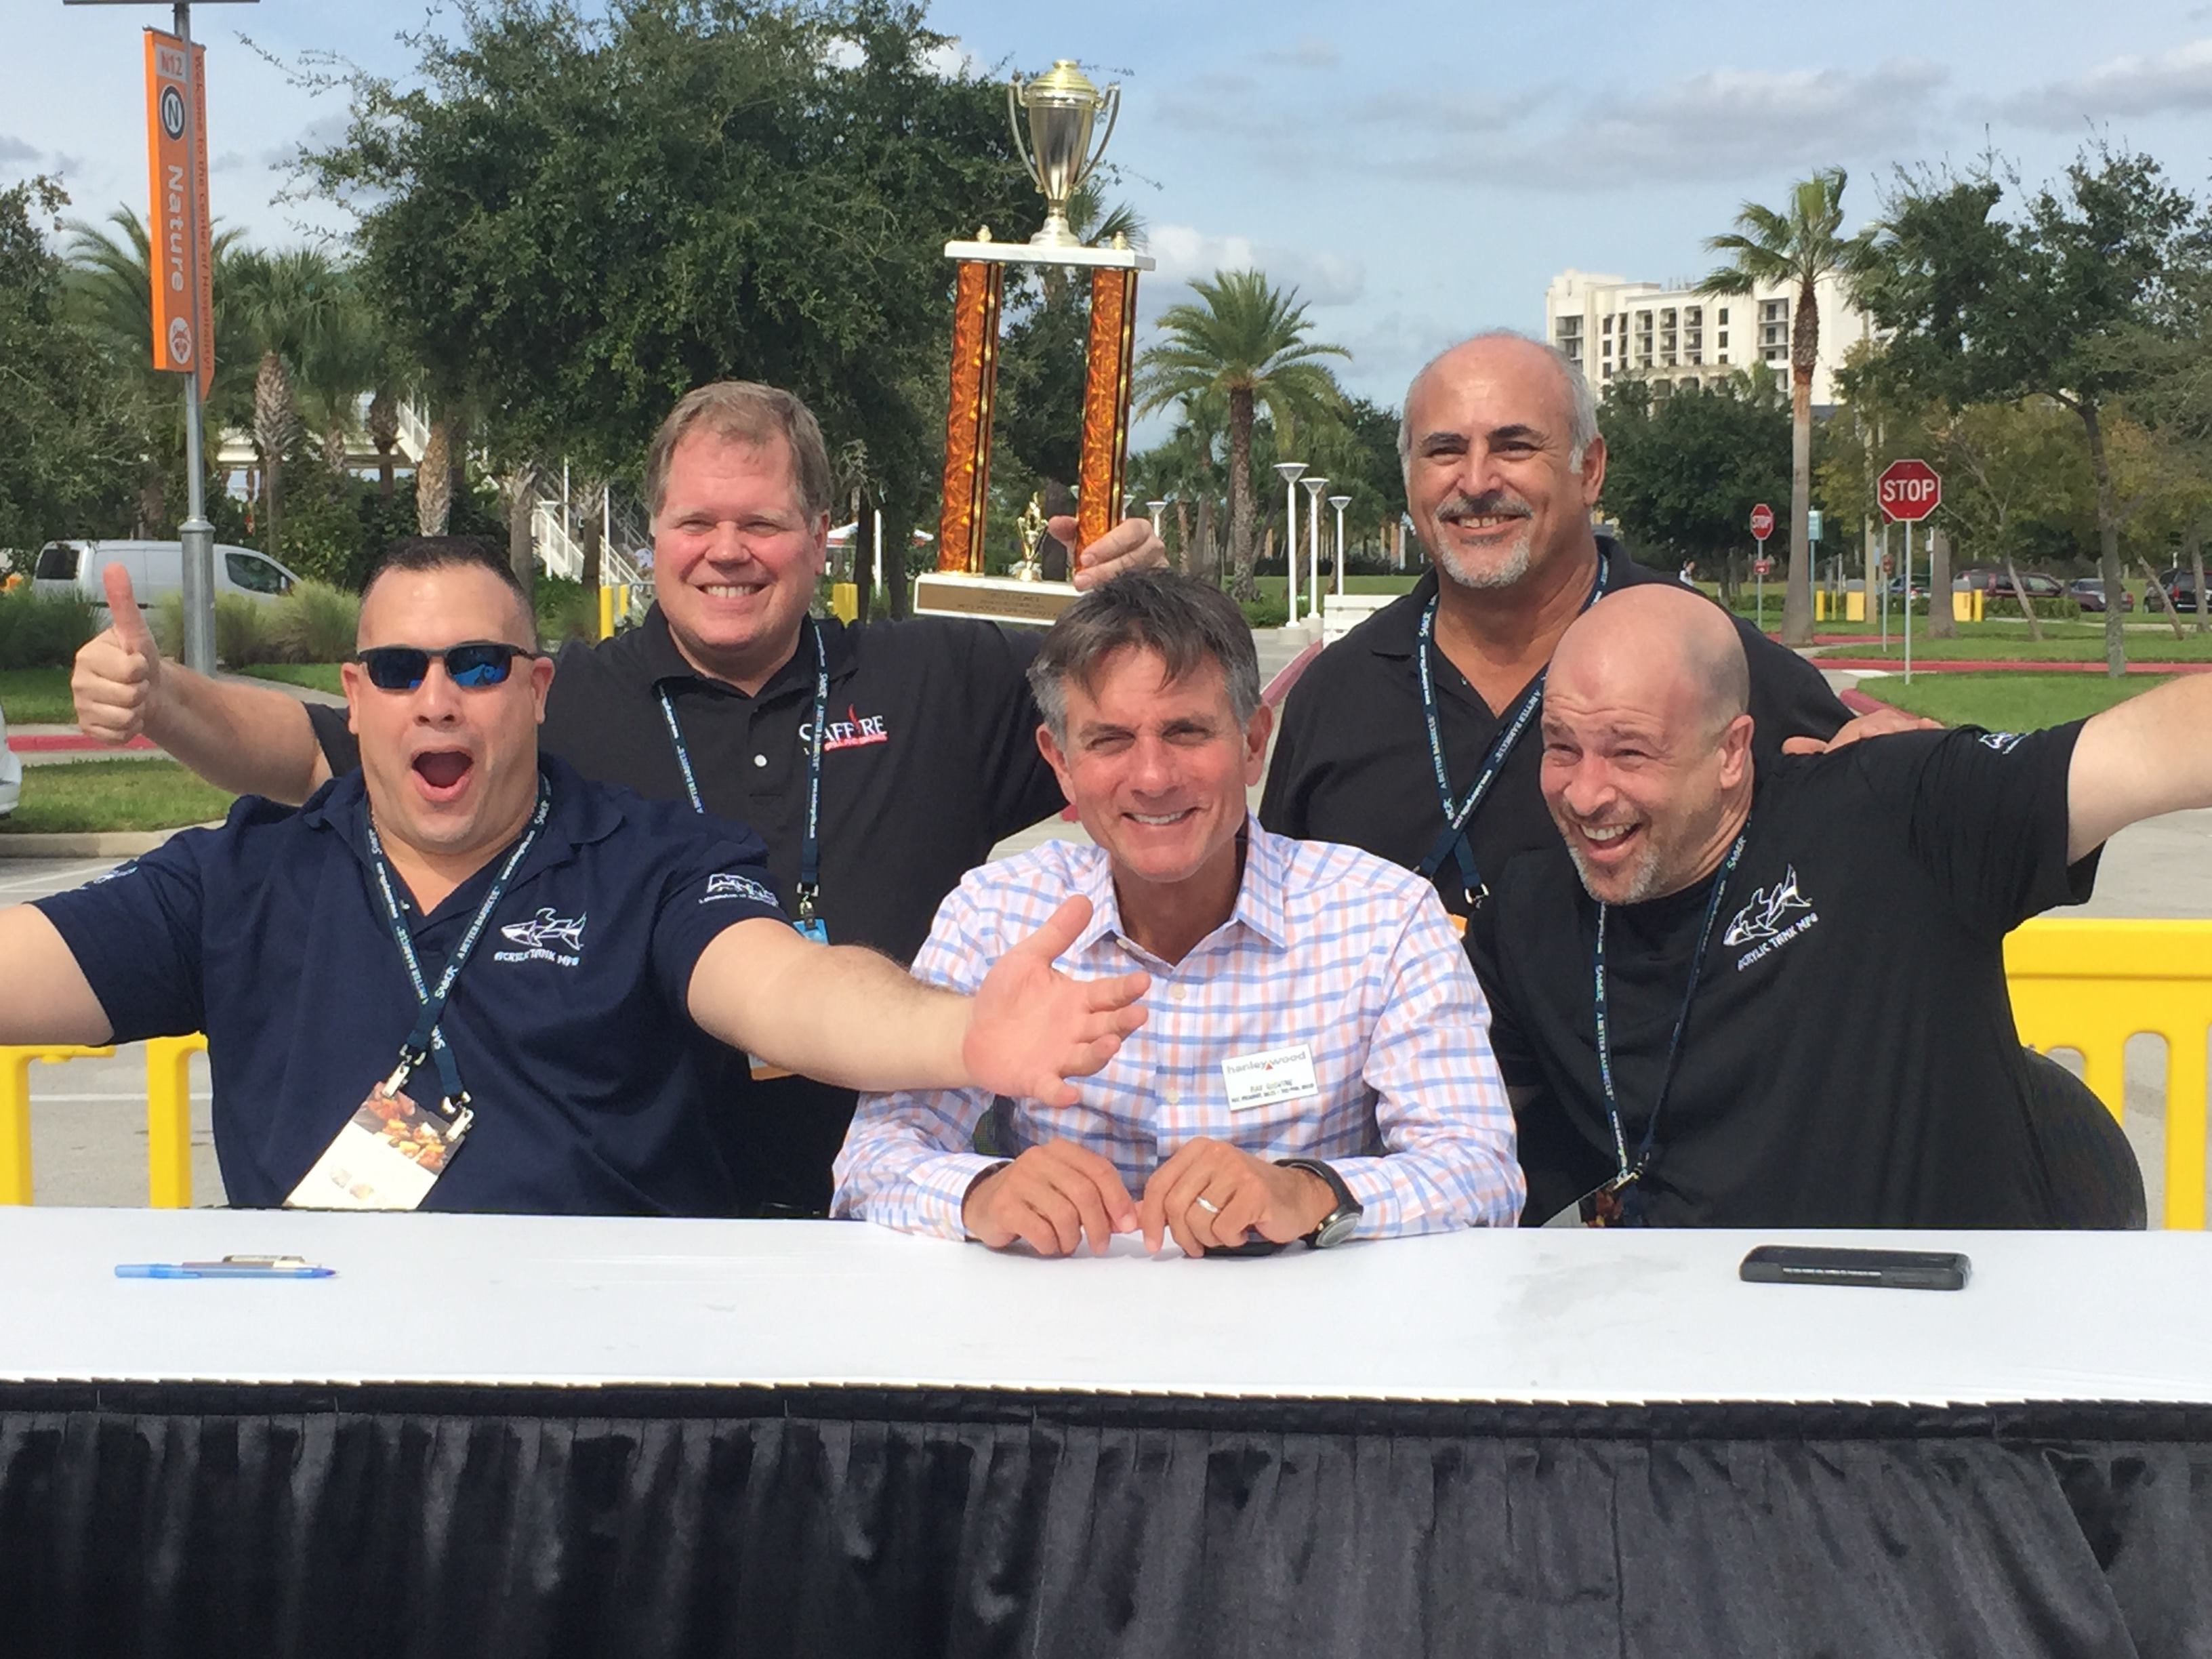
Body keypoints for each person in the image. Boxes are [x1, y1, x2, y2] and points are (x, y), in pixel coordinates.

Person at [69, 380, 1168, 1216]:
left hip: (901, 1198)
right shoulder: (551, 699)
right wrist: (165, 697)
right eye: (695, 523)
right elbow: (315, 747)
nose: (725, 551)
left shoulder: (944, 676)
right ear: (652, 535)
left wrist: (1142, 609)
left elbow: (1150, 750)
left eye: (762, 523)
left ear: (819, 528)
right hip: (649, 1207)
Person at [833, 572, 1523, 1256]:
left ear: (1254, 743)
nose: (1154, 776)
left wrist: (1310, 1193)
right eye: (1109, 741)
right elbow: (871, 1163)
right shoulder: (996, 915)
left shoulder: (1382, 917)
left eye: (1187, 732)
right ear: (1061, 761)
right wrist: (983, 1193)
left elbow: (1481, 1169)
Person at [1474, 581, 2186, 1229]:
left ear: (1730, 752)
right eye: (1561, 746)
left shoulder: (1895, 814)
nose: (1585, 793)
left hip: (1942, 1342)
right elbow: (1458, 1148)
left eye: (1629, 753)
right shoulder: (1527, 920)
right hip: (1682, 1347)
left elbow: (2162, 750)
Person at [1261, 331, 1872, 933]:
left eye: (1515, 447)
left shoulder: (1717, 664)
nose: (1476, 482)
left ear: (1590, 469)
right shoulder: (1338, 694)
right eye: (1444, 451)